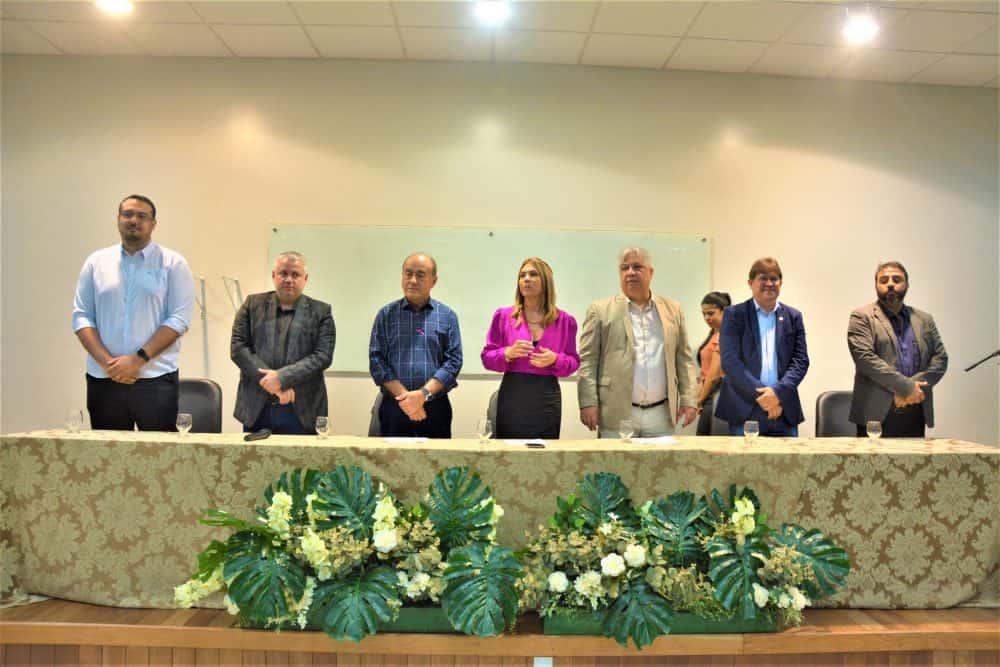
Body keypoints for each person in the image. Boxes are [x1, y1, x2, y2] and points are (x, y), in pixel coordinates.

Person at [72, 194, 195, 431]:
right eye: (127, 214)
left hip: (155, 379)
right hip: (104, 379)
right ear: (118, 219)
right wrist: (110, 364)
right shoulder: (96, 262)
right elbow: (82, 317)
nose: (134, 220)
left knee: (159, 451)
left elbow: (179, 319)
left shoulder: (173, 263)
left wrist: (136, 361)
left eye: (142, 216)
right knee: (108, 451)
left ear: (153, 223)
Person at [578, 247, 698, 438]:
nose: (630, 272)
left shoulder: (673, 309)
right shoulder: (600, 310)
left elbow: (684, 359)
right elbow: (588, 360)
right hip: (616, 413)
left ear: (651, 272)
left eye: (637, 267)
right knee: (616, 459)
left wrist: (689, 398)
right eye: (624, 268)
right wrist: (588, 402)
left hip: (661, 414)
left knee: (661, 459)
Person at [230, 251, 335, 435]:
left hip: (302, 409)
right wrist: (272, 384)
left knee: (301, 456)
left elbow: (322, 356)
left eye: (295, 275)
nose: (289, 280)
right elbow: (238, 348)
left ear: (305, 278)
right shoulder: (252, 305)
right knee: (254, 455)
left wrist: (281, 378)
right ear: (274, 275)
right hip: (256, 408)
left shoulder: (321, 312)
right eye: (283, 273)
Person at [481, 258, 580, 438]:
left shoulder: (565, 321)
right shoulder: (503, 316)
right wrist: (507, 353)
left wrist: (556, 359)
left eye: (533, 274)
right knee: (509, 452)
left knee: (545, 452)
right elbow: (487, 357)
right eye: (522, 275)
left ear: (546, 281)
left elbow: (573, 362)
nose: (526, 279)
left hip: (546, 399)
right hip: (512, 396)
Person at [847, 261, 947, 438]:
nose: (890, 284)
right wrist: (906, 387)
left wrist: (913, 389)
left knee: (916, 457)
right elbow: (865, 359)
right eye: (884, 280)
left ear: (907, 285)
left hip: (916, 407)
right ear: (876, 285)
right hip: (875, 415)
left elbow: (940, 359)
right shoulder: (861, 317)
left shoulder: (924, 319)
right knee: (872, 458)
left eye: (897, 279)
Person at [369, 253, 462, 438]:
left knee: (437, 457)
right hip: (395, 406)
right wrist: (407, 399)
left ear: (433, 281)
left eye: (420, 275)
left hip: (435, 408)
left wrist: (422, 395)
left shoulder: (447, 316)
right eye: (408, 273)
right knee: (392, 457)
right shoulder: (385, 315)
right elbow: (377, 360)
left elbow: (453, 361)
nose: (412, 280)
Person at [715, 257, 809, 437]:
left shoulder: (793, 316)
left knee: (790, 457)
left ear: (781, 283)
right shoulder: (734, 315)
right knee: (743, 458)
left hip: (783, 409)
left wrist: (777, 393)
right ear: (750, 283)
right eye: (763, 278)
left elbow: (801, 361)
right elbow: (730, 361)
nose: (769, 283)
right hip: (745, 410)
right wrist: (766, 398)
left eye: (774, 279)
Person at [694, 291, 731, 435]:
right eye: (704, 314)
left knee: (708, 440)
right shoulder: (713, 335)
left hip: (717, 394)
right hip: (708, 395)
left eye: (711, 313)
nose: (706, 318)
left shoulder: (724, 335)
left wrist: (699, 400)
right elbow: (704, 372)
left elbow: (714, 375)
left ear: (724, 312)